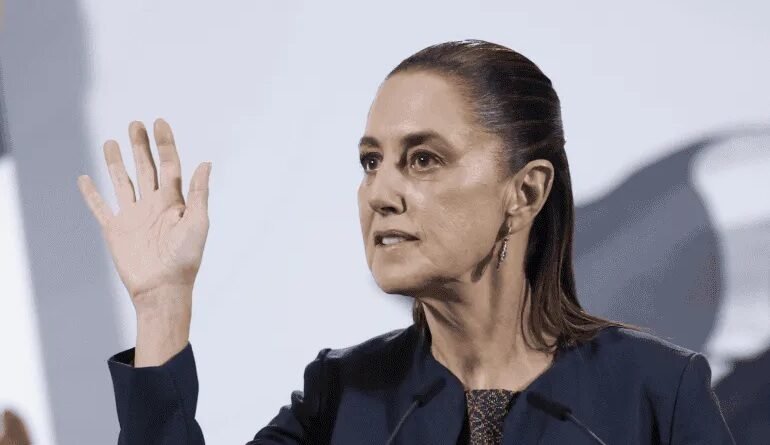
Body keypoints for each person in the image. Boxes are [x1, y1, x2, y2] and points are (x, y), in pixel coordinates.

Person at [77, 39, 735, 444]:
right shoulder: (340, 395)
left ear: (525, 191)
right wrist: (161, 305)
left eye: (423, 159)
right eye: (371, 162)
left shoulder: (658, 391)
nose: (380, 192)